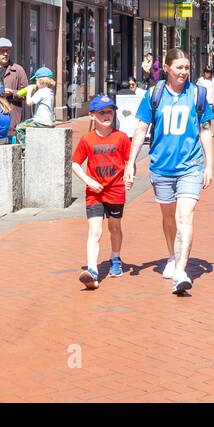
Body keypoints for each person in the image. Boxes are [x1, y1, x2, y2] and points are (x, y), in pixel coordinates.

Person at [126, 49, 214, 295]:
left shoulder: (197, 94)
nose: (184, 72)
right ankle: (172, 256)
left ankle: (181, 271)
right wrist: (131, 162)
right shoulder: (155, 94)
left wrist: (209, 163)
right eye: (179, 67)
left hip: (190, 166)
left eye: (187, 67)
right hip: (162, 166)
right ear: (166, 68)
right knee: (168, 218)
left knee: (184, 217)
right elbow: (142, 129)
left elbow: (205, 130)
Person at [72, 94, 133, 288]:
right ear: (92, 116)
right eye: (102, 113)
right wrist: (89, 181)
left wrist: (129, 175)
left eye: (110, 112)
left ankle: (115, 259)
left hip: (115, 191)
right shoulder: (86, 139)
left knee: (114, 227)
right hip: (94, 193)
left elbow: (128, 162)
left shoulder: (121, 138)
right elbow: (75, 164)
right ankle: (92, 270)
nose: (107, 116)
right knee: (95, 230)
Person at [15, 68, 56, 145]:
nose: (36, 83)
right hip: (48, 121)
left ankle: (24, 148)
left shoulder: (41, 91)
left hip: (40, 121)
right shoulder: (50, 91)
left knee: (19, 128)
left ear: (40, 80)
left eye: (36, 80)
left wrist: (29, 91)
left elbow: (29, 103)